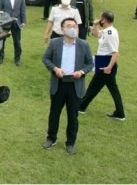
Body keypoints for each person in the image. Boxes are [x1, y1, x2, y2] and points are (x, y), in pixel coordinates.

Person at [42, 17, 93, 155]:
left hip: (75, 85)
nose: (73, 28)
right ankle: (51, 138)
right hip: (58, 84)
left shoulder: (84, 45)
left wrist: (81, 72)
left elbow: (90, 63)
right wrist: (55, 69)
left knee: (73, 116)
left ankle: (70, 143)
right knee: (54, 114)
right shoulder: (54, 43)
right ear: (62, 29)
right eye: (69, 26)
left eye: (75, 26)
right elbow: (45, 58)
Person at [78, 10, 126, 120]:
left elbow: (115, 52)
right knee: (111, 88)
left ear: (104, 20)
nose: (99, 19)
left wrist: (109, 67)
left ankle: (81, 106)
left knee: (93, 87)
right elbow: (97, 35)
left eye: (100, 18)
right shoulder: (106, 31)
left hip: (106, 63)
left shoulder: (110, 33)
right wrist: (95, 25)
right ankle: (120, 113)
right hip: (103, 61)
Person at [0, 0, 27, 65]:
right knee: (1, 40)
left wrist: (23, 21)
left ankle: (17, 59)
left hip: (17, 22)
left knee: (17, 41)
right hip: (5, 22)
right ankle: (0, 57)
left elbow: (23, 10)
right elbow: (0, 9)